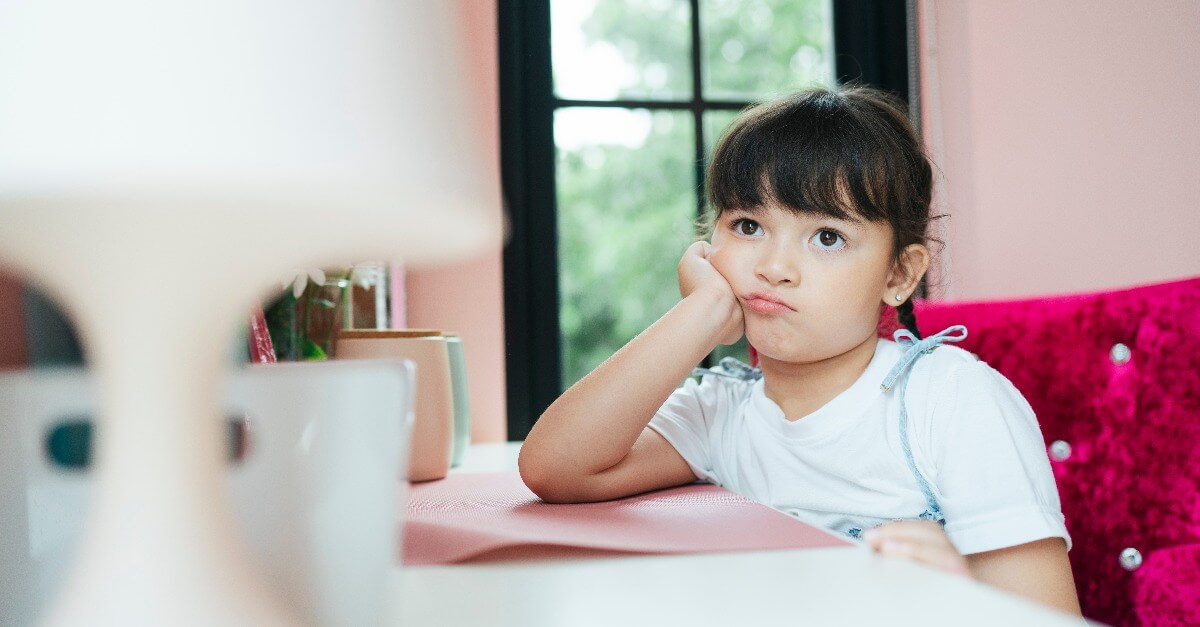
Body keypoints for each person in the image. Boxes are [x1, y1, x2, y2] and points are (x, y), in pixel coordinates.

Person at [518, 86, 1081, 615]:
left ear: (899, 274)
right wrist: (701, 315)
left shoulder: (954, 403)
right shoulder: (722, 412)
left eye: (827, 237)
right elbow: (556, 468)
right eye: (747, 225)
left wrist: (955, 600)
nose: (774, 268)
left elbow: (1048, 618)